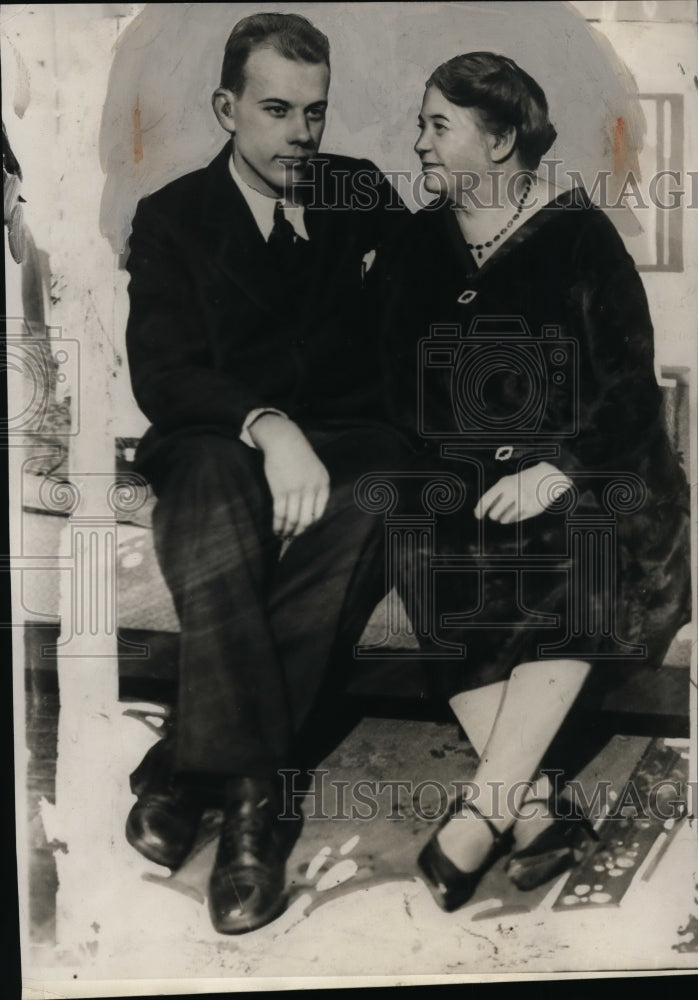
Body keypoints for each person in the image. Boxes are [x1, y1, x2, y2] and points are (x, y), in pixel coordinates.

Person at [379, 51, 692, 911]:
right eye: (423, 123)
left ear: (503, 136)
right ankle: (539, 817)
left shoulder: (581, 237)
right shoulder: (417, 246)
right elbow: (397, 391)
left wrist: (558, 467)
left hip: (602, 475)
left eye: (438, 125)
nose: (421, 142)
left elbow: (630, 392)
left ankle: (480, 816)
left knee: (569, 539)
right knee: (424, 541)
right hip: (472, 488)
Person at [123, 12, 408, 934]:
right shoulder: (171, 218)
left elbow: (433, 295)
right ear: (226, 107)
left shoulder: (354, 192)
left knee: (382, 485)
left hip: (346, 441)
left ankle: (185, 768)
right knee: (207, 488)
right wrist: (267, 425)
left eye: (315, 113)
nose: (301, 136)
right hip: (220, 436)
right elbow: (166, 375)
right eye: (278, 110)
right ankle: (257, 801)